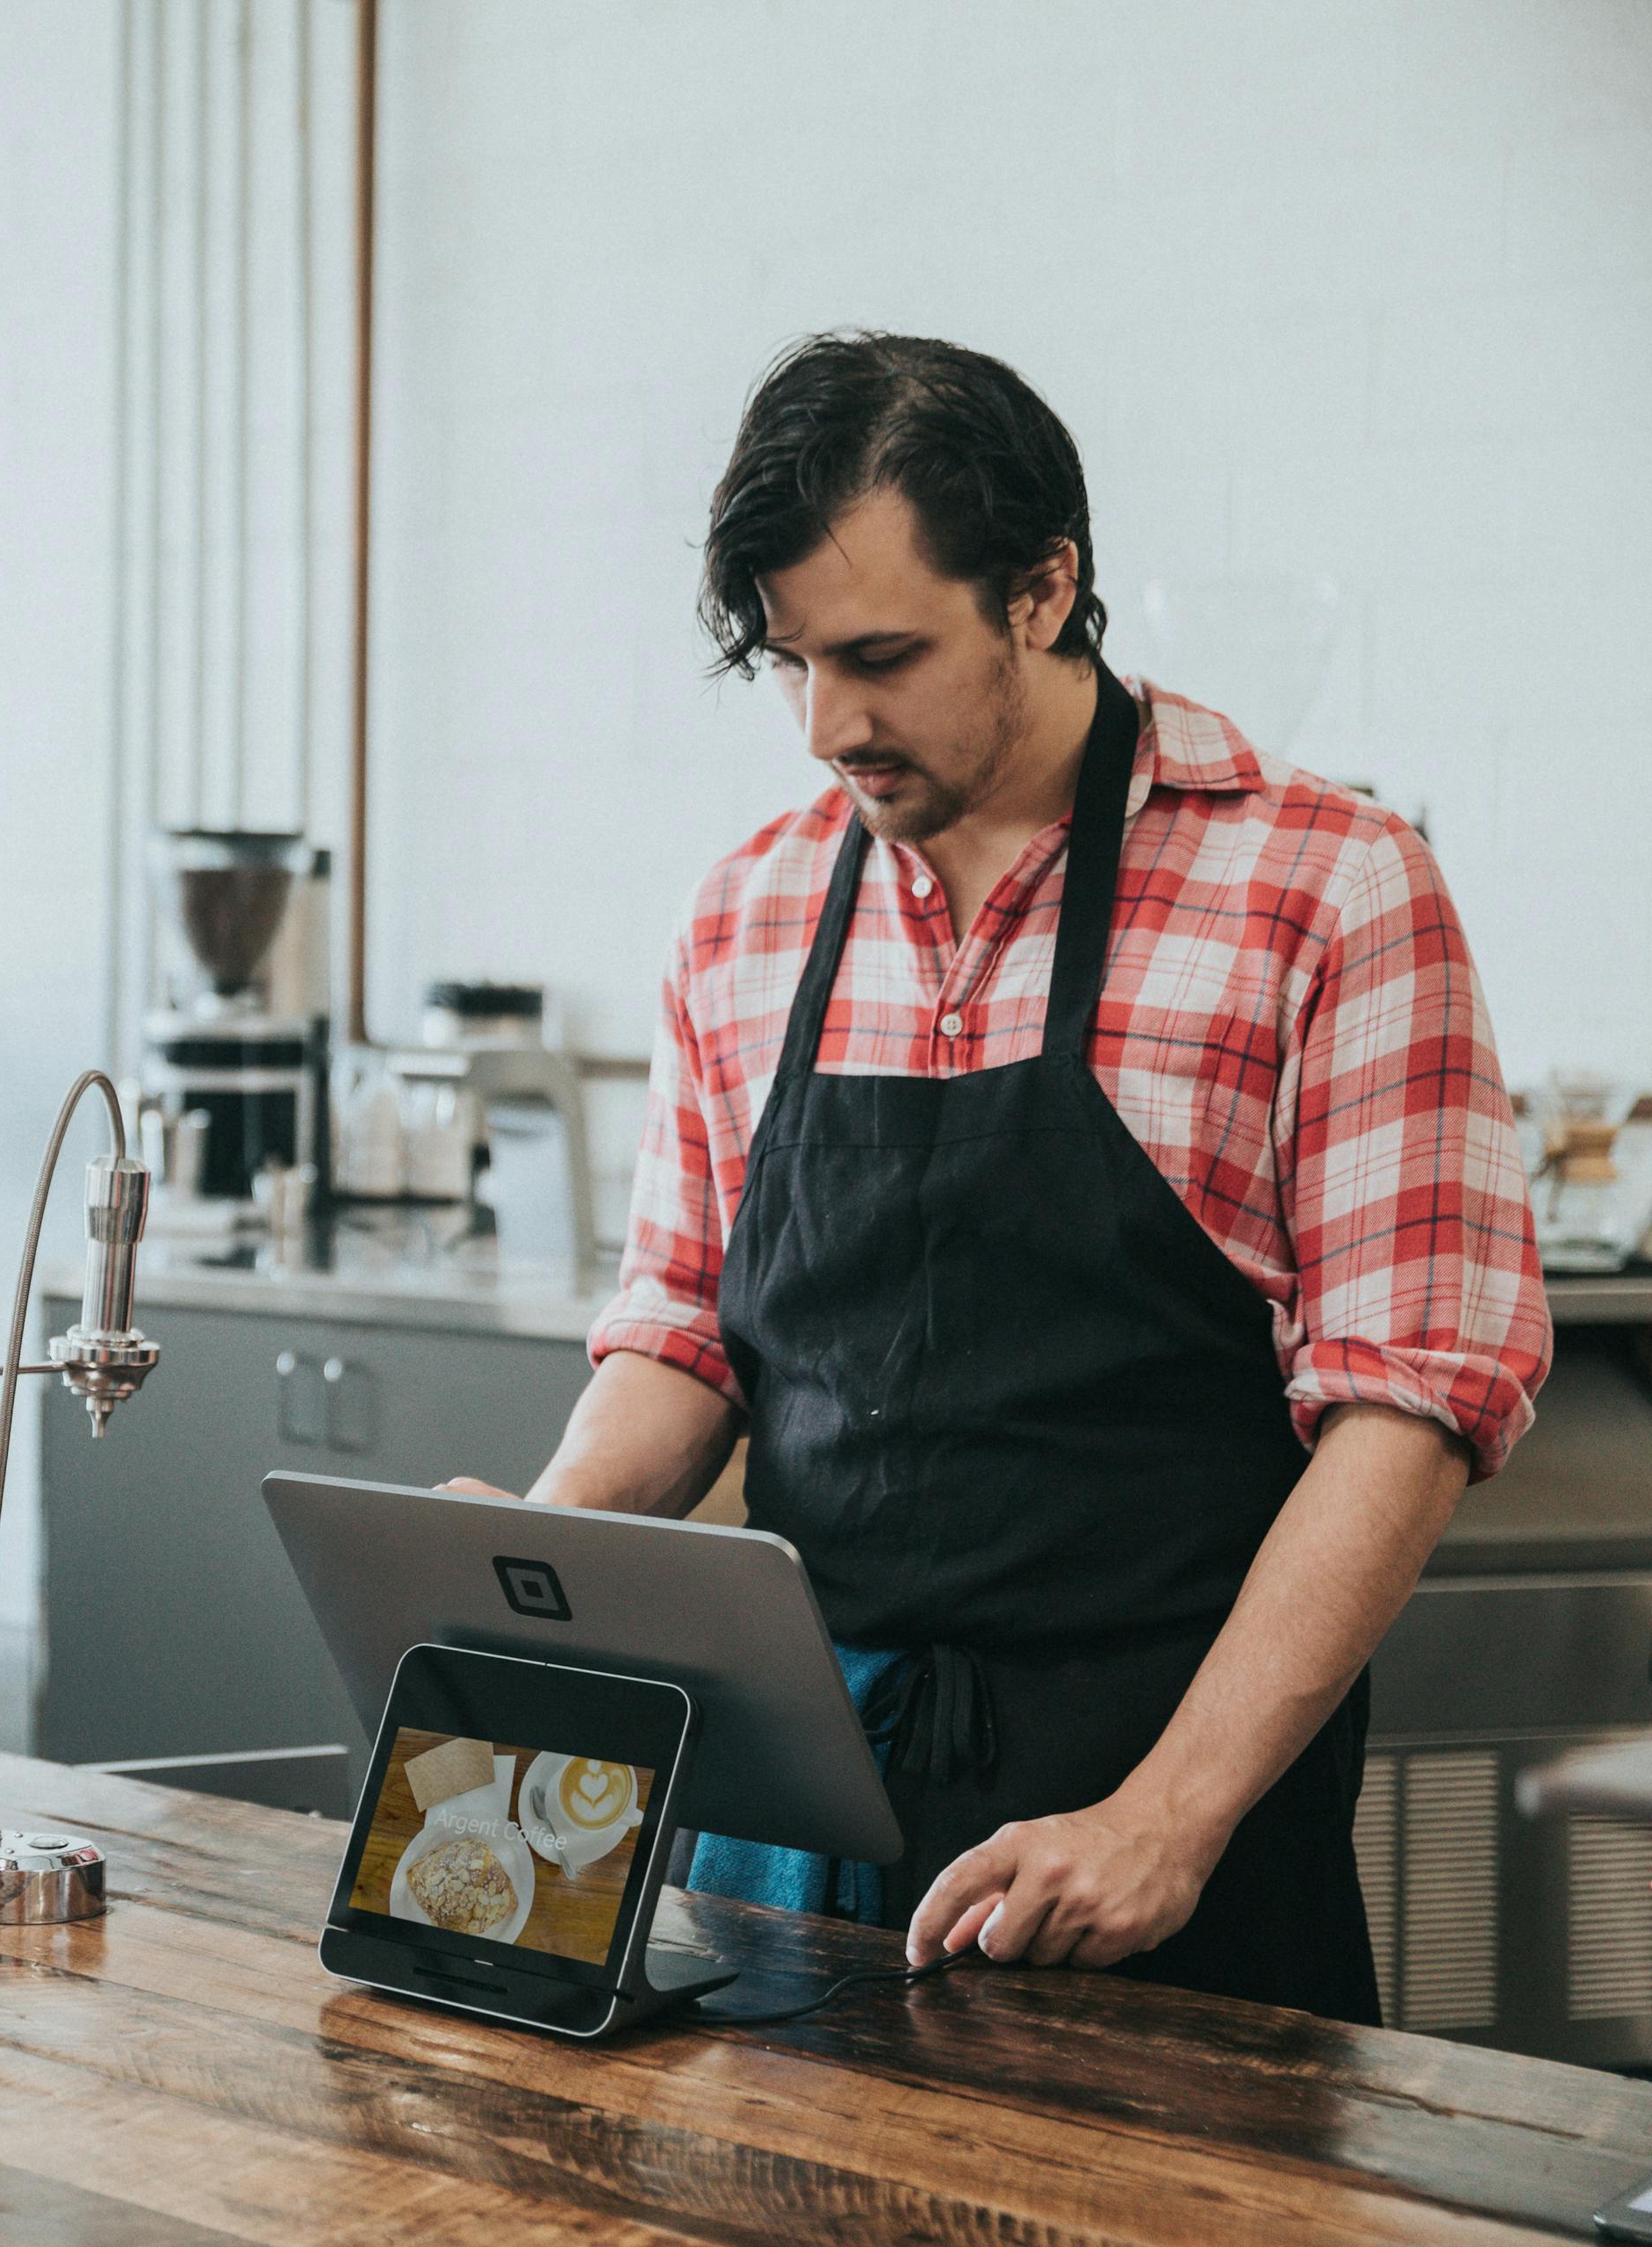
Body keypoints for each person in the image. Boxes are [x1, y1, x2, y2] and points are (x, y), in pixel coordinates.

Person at [456, 333, 1548, 2022]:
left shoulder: (1328, 893)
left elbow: (1407, 1409)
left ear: (1045, 589)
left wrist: (1165, 1820)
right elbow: (685, 1334)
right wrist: (536, 1559)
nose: (830, 725)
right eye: (791, 662)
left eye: (881, 656)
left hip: (1161, 1840)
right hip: (795, 1836)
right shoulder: (745, 916)